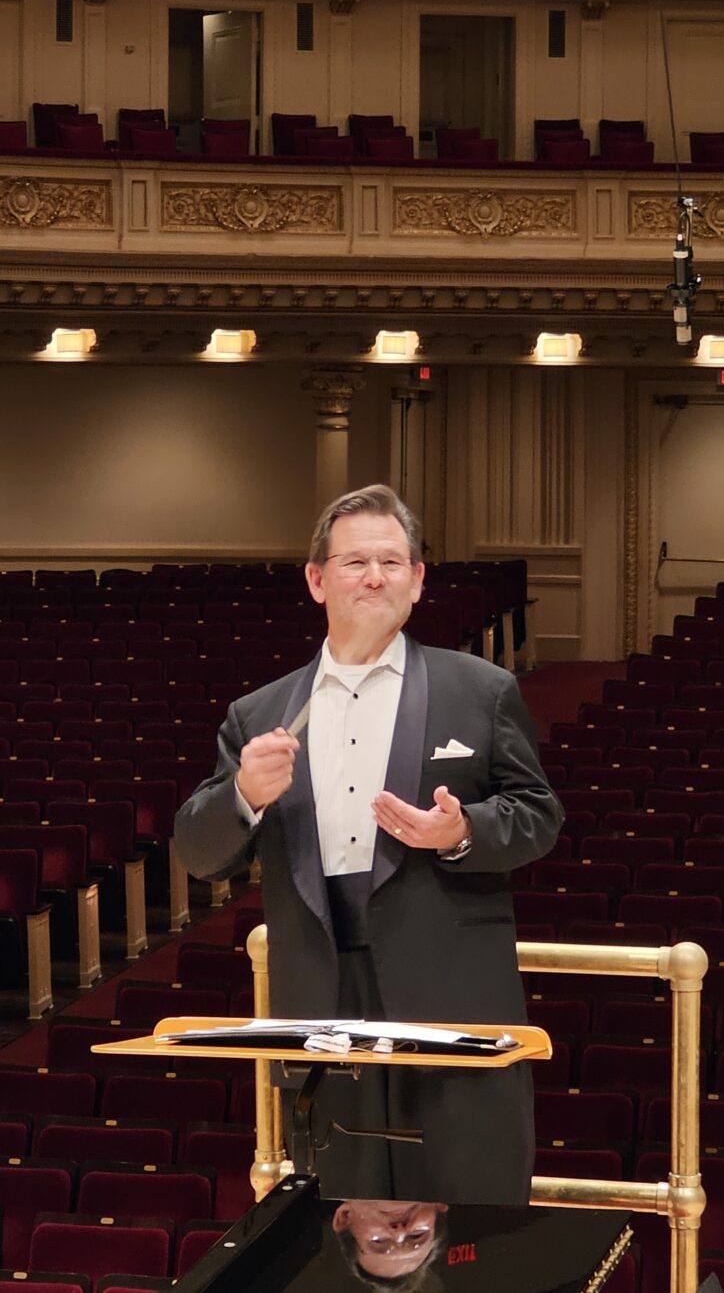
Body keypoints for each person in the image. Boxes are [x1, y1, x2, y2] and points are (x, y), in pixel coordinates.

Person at [174, 484, 563, 1203]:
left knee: (469, 1212)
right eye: (355, 562)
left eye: (392, 562)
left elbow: (539, 815)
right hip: (320, 996)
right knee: (338, 1216)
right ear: (317, 580)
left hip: (451, 990)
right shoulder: (260, 712)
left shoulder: (482, 690)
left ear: (418, 580)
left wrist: (463, 831)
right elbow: (199, 852)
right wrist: (244, 795)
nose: (375, 577)